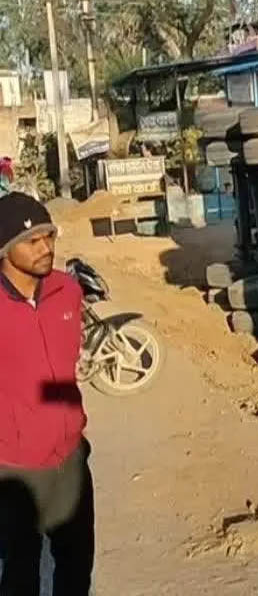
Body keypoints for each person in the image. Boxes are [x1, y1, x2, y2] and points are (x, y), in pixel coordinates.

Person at [0, 192, 94, 595]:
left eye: (49, 236)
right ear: (5, 248)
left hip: (70, 458)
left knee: (76, 565)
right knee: (20, 572)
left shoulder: (66, 291)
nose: (46, 248)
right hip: (15, 467)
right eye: (32, 241)